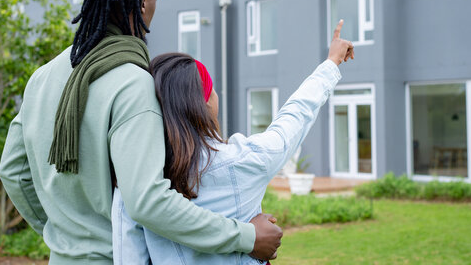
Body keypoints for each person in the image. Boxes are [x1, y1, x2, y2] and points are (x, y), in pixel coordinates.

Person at [0, 0, 282, 265]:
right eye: (156, 1)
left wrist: (61, 235)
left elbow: (12, 171)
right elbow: (148, 201)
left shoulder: (42, 78)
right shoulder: (133, 84)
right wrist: (246, 236)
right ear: (144, 2)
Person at [111, 20, 354, 264]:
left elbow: (128, 256)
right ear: (204, 103)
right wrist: (332, 62)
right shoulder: (245, 160)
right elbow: (295, 116)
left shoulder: (133, 182)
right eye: (213, 89)